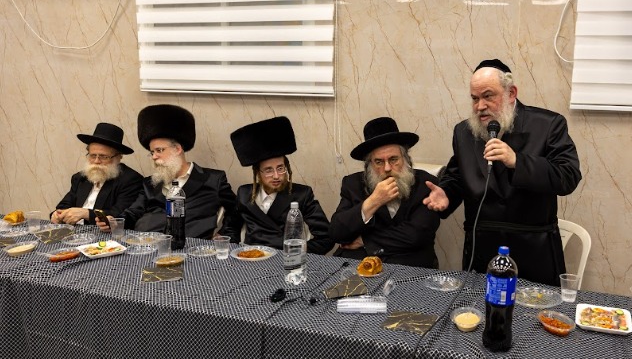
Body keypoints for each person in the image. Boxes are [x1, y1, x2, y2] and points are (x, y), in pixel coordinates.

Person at [423, 59, 582, 286]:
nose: (480, 106)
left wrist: (517, 161)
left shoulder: (548, 124)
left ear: (511, 93)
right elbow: (457, 176)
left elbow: (568, 176)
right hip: (482, 250)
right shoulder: (464, 132)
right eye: (474, 98)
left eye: (488, 96)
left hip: (533, 250)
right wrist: (446, 193)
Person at [98, 104, 237, 239]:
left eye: (159, 150)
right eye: (152, 152)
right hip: (146, 244)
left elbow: (236, 211)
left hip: (190, 247)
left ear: (177, 149)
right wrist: (114, 222)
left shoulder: (213, 180)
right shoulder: (150, 183)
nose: (154, 156)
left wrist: (225, 235)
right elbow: (133, 213)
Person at [329, 117, 441, 268]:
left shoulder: (427, 184)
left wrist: (365, 240)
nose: (387, 168)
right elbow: (337, 232)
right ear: (369, 164)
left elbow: (416, 235)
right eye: (379, 162)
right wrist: (373, 201)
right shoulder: (352, 184)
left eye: (393, 159)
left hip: (409, 266)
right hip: (360, 266)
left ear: (405, 159)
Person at [219, 116, 334, 255]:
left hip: (285, 258)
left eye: (280, 168)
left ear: (287, 168)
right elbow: (230, 229)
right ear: (258, 173)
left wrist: (297, 251)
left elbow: (326, 237)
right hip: (250, 258)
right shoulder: (244, 193)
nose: (276, 176)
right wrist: (235, 252)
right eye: (268, 170)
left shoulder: (302, 194)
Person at [51, 123, 143, 225]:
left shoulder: (130, 180)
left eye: (103, 157)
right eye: (93, 155)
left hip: (103, 233)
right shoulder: (80, 177)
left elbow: (120, 215)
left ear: (118, 157)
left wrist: (86, 214)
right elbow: (64, 205)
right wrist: (57, 214)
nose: (96, 161)